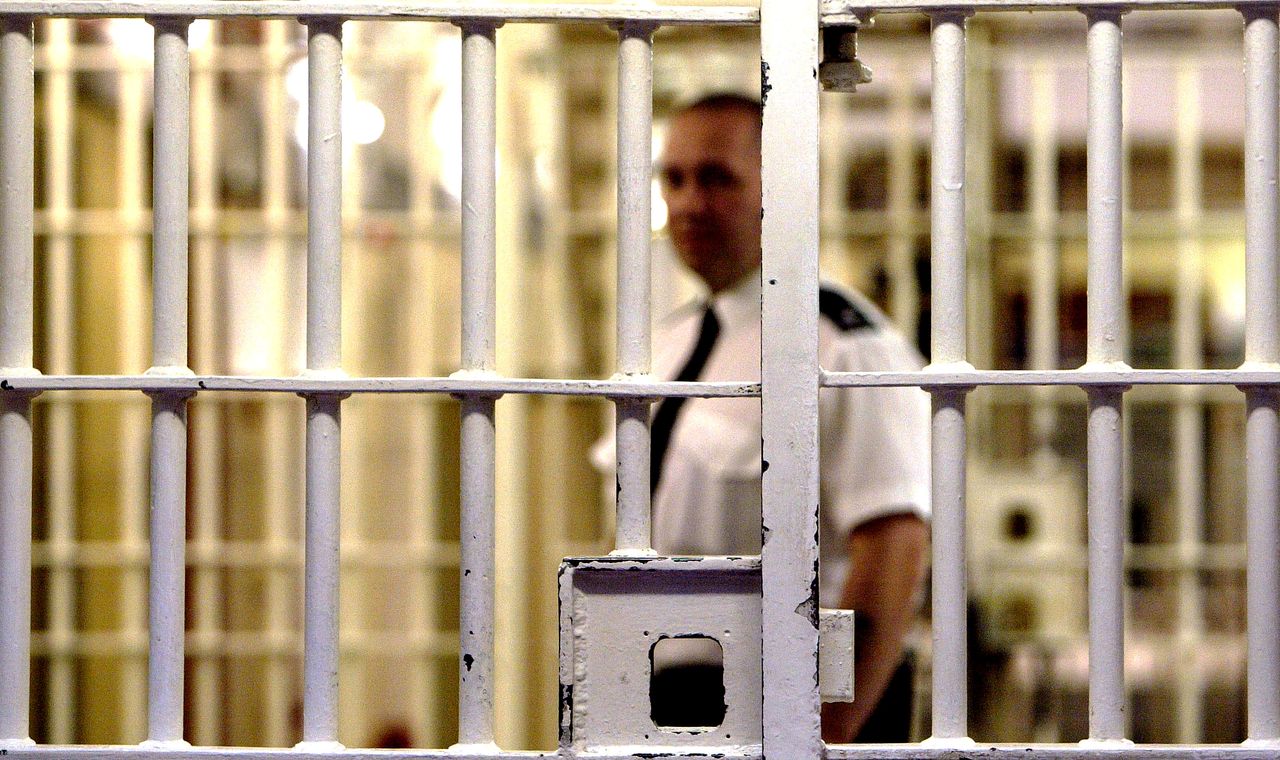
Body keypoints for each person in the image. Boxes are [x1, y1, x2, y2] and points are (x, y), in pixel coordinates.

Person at [595, 93, 930, 743]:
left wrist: (823, 727)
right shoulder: (668, 345)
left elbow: (893, 545)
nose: (690, 203)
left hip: (788, 695)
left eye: (717, 178)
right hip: (666, 689)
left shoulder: (843, 345)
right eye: (675, 179)